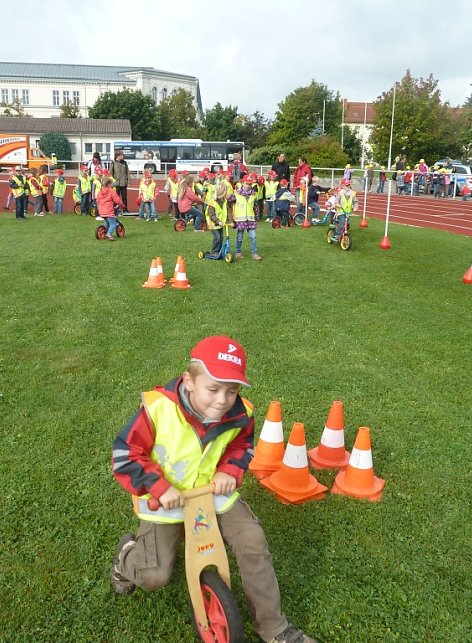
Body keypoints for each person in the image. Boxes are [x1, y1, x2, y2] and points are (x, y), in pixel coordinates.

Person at [110, 336, 316, 643]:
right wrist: (160, 486)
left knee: (252, 539)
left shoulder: (240, 414)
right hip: (164, 501)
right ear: (189, 382)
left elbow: (242, 446)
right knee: (154, 574)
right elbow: (125, 455)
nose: (222, 400)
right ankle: (127, 555)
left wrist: (229, 470)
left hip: (212, 492)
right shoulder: (158, 410)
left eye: (231, 391)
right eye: (213, 389)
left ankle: (275, 629)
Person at [233, 176, 261, 260]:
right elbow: (229, 202)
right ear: (243, 183)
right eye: (246, 183)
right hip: (241, 219)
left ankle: (254, 254)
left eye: (250, 184)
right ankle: (238, 252)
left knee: (253, 236)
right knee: (240, 237)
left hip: (251, 219)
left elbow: (255, 207)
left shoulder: (254, 194)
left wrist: (256, 218)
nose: (248, 186)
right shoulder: (236, 193)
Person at [97, 176, 125, 240]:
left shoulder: (100, 191)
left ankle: (104, 232)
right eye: (111, 183)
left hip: (101, 211)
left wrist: (99, 207)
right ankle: (109, 234)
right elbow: (117, 200)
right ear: (108, 184)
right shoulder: (111, 191)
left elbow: (97, 200)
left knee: (107, 222)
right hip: (109, 211)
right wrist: (122, 205)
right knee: (113, 224)